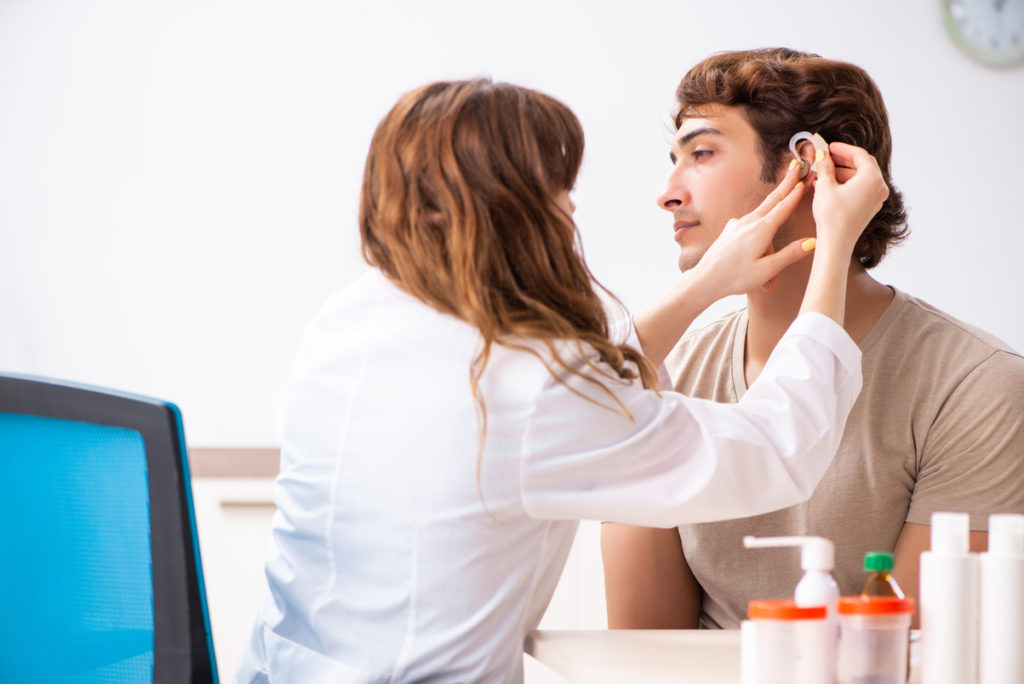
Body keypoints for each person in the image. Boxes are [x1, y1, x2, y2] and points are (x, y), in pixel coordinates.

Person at [234, 77, 888, 682]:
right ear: (510, 207)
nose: (570, 206)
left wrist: (705, 283)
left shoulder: (352, 318)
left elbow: (577, 385)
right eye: (556, 186)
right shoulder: (529, 386)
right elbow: (775, 447)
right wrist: (834, 244)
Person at [602, 48, 1024, 632]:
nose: (667, 193)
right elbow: (643, 654)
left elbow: (907, 649)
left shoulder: (976, 386)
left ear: (809, 165)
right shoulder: (665, 366)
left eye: (701, 153)